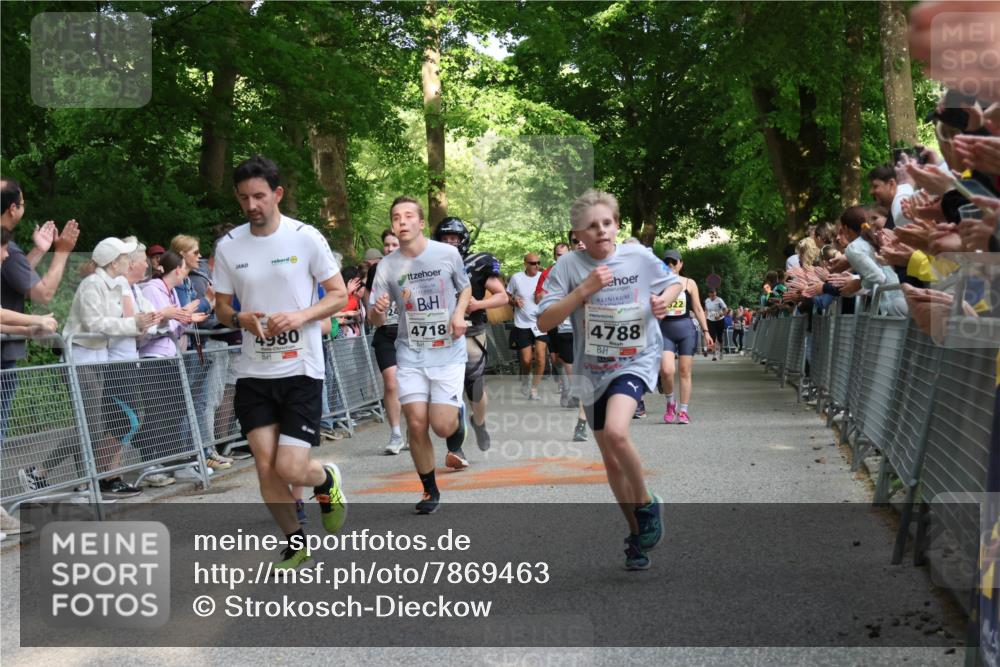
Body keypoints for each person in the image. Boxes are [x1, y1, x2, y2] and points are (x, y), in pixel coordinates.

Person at [213, 155, 349, 571]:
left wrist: (302, 316)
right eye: (243, 198)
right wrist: (240, 319)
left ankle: (325, 480)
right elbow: (219, 306)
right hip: (254, 372)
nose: (251, 205)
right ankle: (295, 541)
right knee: (264, 464)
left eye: (259, 196)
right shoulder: (229, 246)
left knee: (290, 466)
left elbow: (339, 295)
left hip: (300, 368)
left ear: (277, 194)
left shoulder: (305, 238)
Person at [537, 189, 684, 570]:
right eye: (592, 226)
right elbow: (545, 320)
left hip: (636, 359)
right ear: (578, 234)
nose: (601, 231)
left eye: (607, 223)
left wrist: (665, 299)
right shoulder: (568, 267)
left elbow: (674, 283)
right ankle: (637, 535)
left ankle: (648, 504)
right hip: (592, 370)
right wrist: (583, 292)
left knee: (619, 433)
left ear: (616, 225)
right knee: (611, 461)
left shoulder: (636, 256)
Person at [369, 196, 471, 514]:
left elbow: (465, 288)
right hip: (410, 352)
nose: (402, 221)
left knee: (441, 426)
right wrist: (378, 310)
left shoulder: (447, 254)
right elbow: (373, 319)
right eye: (396, 216)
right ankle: (429, 490)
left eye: (408, 215)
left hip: (447, 353)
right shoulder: (386, 266)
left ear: (421, 222)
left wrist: (458, 314)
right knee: (415, 423)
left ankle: (457, 422)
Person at [0, 178, 79, 436]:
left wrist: (37, 251)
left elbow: (12, 275)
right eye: (22, 203)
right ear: (13, 208)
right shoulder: (7, 248)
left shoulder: (8, 251)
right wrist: (63, 251)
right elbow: (43, 294)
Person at [433, 217, 507, 458]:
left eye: (454, 238)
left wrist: (478, 304)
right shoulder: (429, 263)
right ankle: (455, 448)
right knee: (450, 389)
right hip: (441, 334)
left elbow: (502, 296)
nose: (450, 243)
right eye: (445, 239)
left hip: (472, 331)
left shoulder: (477, 263)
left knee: (474, 387)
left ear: (462, 240)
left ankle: (480, 421)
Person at [537, 233, 590, 441]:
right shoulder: (561, 268)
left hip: (615, 336)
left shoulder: (614, 261)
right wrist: (574, 297)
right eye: (575, 241)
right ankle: (582, 420)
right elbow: (542, 300)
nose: (580, 244)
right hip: (572, 329)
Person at [658, 249, 712, 425]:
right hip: (665, 329)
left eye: (674, 262)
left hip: (686, 330)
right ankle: (670, 404)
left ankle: (683, 411)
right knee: (666, 370)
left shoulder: (689, 283)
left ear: (681, 264)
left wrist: (706, 331)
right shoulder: (657, 282)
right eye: (667, 263)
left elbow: (697, 308)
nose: (671, 266)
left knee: (684, 371)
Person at [366, 229, 405, 454]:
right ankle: (396, 433)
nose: (389, 249)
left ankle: (414, 429)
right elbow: (372, 316)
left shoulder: (416, 267)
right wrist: (378, 310)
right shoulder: (377, 271)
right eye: (387, 245)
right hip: (385, 333)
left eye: (394, 244)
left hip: (409, 335)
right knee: (391, 383)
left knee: (410, 386)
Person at [507, 253, 548, 400]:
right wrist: (514, 301)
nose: (536, 265)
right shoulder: (516, 278)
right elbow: (507, 296)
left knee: (541, 357)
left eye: (538, 262)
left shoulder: (543, 277)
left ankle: (534, 389)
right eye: (532, 263)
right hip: (522, 324)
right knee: (526, 360)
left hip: (540, 323)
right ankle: (526, 380)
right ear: (525, 263)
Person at [704, 288, 728, 361]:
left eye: (714, 294)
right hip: (710, 320)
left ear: (715, 293)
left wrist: (720, 315)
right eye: (711, 294)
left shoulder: (719, 300)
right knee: (712, 337)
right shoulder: (707, 300)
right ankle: (714, 354)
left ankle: (721, 352)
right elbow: (706, 310)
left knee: (720, 337)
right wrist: (704, 319)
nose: (713, 295)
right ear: (709, 294)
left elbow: (726, 310)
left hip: (719, 320)